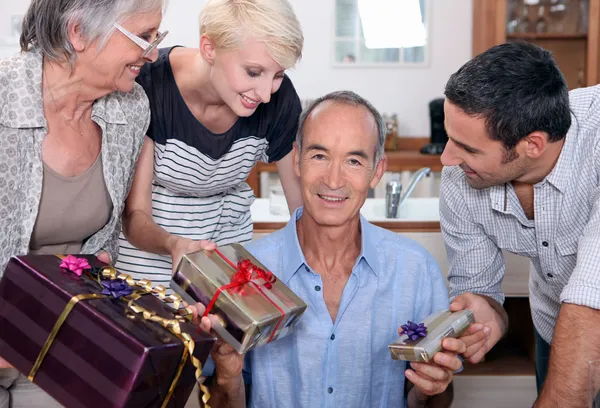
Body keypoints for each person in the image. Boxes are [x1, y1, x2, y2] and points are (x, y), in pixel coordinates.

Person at [192, 91, 470, 408]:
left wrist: (429, 388)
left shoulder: (416, 269)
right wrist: (228, 379)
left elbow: (436, 400)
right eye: (319, 156)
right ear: (296, 159)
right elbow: (216, 401)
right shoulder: (244, 274)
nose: (334, 180)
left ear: (377, 171)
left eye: (353, 160)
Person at [0, 0, 168, 406]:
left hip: (61, 349)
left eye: (156, 37)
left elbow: (104, 249)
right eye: (143, 36)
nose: (153, 53)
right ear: (78, 32)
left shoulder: (131, 109)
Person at [439, 41, 600, 407]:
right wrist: (483, 316)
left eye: (468, 147)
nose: (448, 158)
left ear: (532, 144)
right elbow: (477, 287)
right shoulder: (461, 179)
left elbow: (593, 298)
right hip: (556, 325)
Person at [116, 0, 305, 288]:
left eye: (277, 75)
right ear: (209, 48)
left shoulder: (280, 101)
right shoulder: (150, 86)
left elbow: (300, 212)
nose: (266, 94)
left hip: (226, 268)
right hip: (145, 268)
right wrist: (174, 244)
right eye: (253, 72)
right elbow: (135, 215)